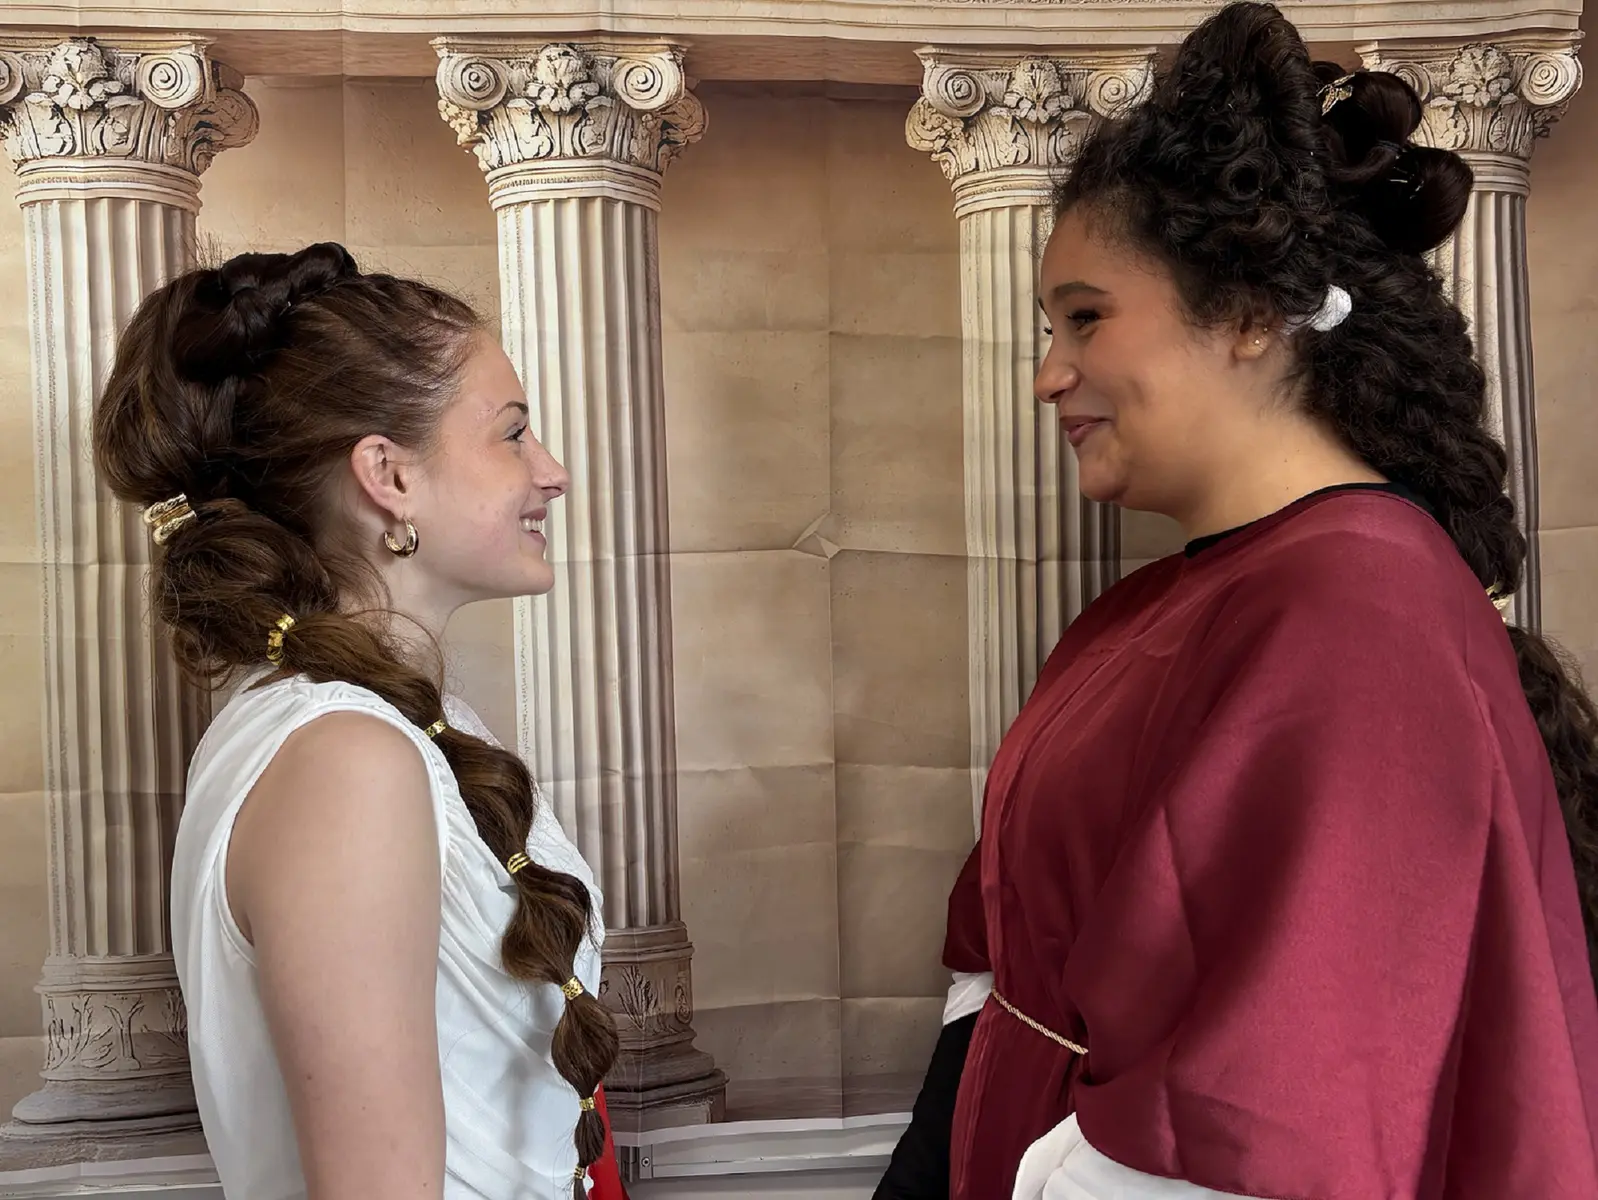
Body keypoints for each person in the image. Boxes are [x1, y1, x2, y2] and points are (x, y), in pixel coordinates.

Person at [874, 4, 1598, 1198]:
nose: (1049, 373)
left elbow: (1277, 1117)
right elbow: (1003, 965)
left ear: (1255, 315)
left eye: (1086, 317)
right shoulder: (1164, 604)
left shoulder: (1356, 610)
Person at [94, 243, 629, 1200]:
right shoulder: (346, 758)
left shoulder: (377, 729)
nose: (550, 473)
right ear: (387, 474)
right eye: (513, 433)